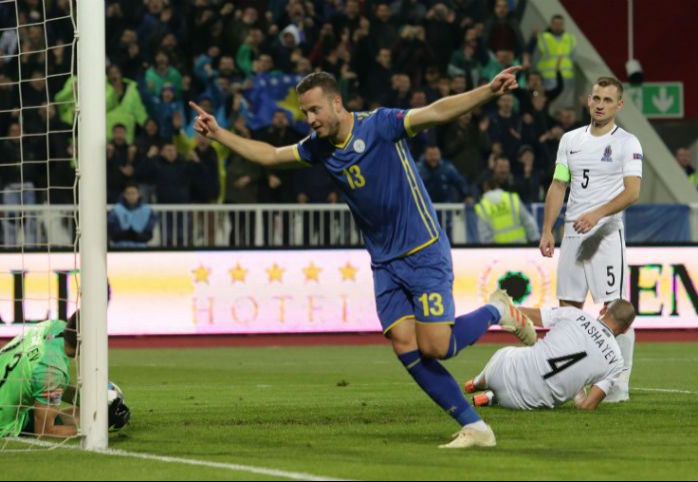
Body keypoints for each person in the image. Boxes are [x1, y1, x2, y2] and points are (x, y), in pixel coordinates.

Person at [190, 67, 538, 448]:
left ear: (337, 103)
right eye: (305, 113)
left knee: (436, 347)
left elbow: (436, 111)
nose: (310, 119)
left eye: (315, 110)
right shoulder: (319, 147)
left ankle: (496, 311)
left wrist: (488, 91)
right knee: (404, 343)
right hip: (384, 264)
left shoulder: (381, 125)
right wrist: (219, 134)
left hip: (422, 249)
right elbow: (272, 156)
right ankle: (476, 427)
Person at [539, 77, 642, 403]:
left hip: (606, 234)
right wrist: (547, 229)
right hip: (572, 233)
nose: (600, 105)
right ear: (588, 100)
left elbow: (632, 192)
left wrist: (597, 214)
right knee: (567, 312)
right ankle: (572, 386)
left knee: (615, 309)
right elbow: (559, 184)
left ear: (619, 105)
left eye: (608, 100)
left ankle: (618, 384)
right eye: (596, 98)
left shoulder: (627, 143)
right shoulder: (570, 140)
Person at [0, 312, 131, 438]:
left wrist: (88, 398)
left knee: (41, 389)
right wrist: (98, 426)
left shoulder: (53, 326)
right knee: (64, 419)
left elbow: (46, 383)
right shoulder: (52, 371)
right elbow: (44, 432)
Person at [466, 295, 634, 411]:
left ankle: (478, 382)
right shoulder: (616, 361)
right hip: (523, 404)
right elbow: (586, 406)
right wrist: (577, 384)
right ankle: (492, 397)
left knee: (508, 355)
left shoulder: (575, 314)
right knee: (540, 386)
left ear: (603, 310)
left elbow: (522, 314)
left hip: (500, 371)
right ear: (626, 329)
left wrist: (501, 311)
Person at [475, 178, 538, 244]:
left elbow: (484, 236)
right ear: (497, 186)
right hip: (520, 246)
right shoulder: (511, 198)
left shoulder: (482, 207)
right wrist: (535, 242)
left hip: (499, 249)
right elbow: (529, 223)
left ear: (485, 188)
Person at [108, 183, 156, 248]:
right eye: (128, 193)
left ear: (139, 194)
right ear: (124, 195)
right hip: (120, 249)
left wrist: (135, 235)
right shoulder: (116, 210)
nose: (131, 196)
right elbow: (113, 234)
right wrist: (127, 234)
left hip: (141, 249)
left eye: (133, 193)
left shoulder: (148, 211)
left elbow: (148, 235)